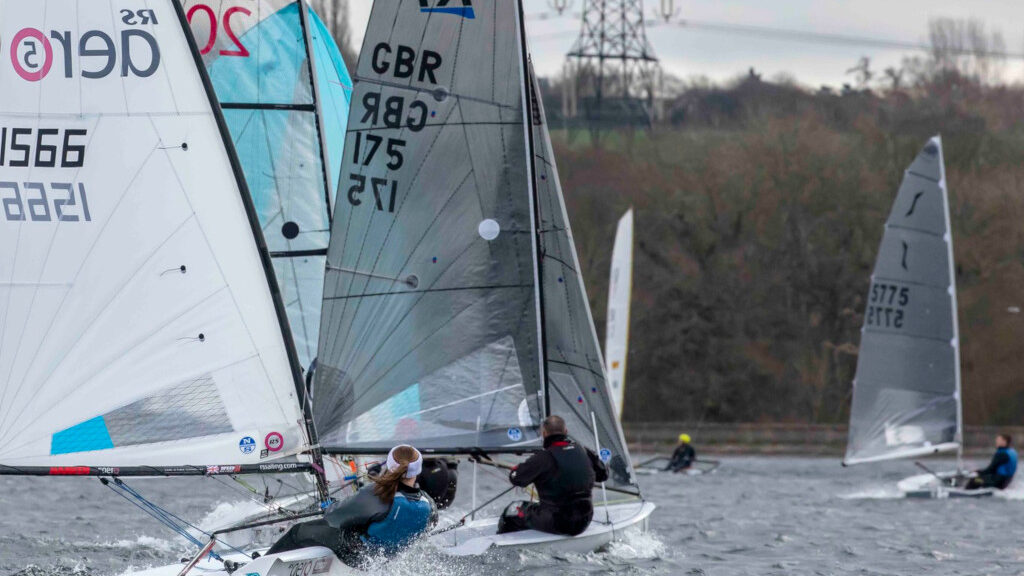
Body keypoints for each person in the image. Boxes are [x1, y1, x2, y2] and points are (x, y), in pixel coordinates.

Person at [267, 445, 437, 566]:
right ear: (418, 470)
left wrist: (329, 506)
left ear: (391, 466)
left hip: (355, 555)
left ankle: (258, 568)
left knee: (298, 531)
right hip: (383, 559)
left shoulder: (377, 495)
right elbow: (429, 526)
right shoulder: (427, 502)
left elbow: (335, 516)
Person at [497, 415, 608, 537]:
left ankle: (505, 549)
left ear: (544, 434)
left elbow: (516, 478)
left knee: (513, 510)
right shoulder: (584, 451)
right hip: (585, 520)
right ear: (566, 432)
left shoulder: (542, 458)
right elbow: (603, 475)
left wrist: (517, 469)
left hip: (557, 522)